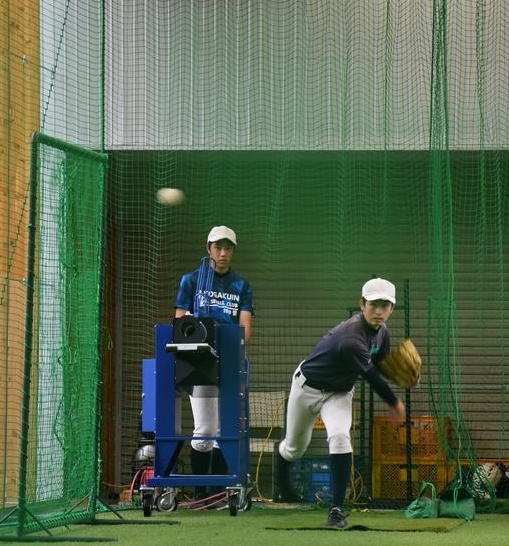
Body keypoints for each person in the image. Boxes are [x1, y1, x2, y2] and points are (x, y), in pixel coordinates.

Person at [273, 278, 415, 528]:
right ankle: (281, 469)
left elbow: (380, 364)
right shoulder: (351, 337)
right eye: (373, 304)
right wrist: (394, 401)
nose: (379, 310)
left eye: (385, 305)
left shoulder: (383, 332)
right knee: (294, 449)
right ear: (362, 304)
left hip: (338, 393)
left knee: (340, 437)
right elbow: (369, 375)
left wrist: (403, 378)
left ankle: (336, 510)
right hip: (306, 388)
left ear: (392, 308)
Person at [174, 226, 254, 505]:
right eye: (217, 247)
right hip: (198, 361)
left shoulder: (241, 286)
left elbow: (245, 330)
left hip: (230, 360)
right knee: (205, 429)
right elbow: (180, 322)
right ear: (208, 249)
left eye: (228, 248)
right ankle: (199, 494)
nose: (222, 253)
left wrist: (227, 341)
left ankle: (218, 494)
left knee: (225, 431)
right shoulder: (191, 280)